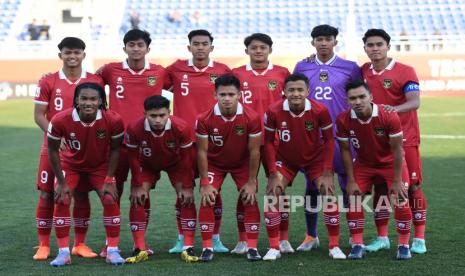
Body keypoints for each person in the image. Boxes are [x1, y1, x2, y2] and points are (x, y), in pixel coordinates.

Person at [96, 29, 168, 257]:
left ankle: (140, 242)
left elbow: (190, 91)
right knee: (111, 193)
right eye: (131, 44)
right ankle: (111, 243)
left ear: (148, 48)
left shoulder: (160, 72)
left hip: (146, 144)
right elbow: (90, 84)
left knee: (141, 192)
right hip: (115, 144)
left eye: (140, 45)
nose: (136, 48)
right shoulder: (110, 70)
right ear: (124, 47)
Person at [33, 37, 103, 260]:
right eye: (67, 52)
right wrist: (56, 135)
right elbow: (38, 116)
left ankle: (79, 244)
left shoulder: (95, 81)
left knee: (81, 194)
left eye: (76, 52)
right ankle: (44, 244)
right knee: (47, 194)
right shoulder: (48, 81)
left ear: (83, 54)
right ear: (60, 55)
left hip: (82, 150)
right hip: (52, 148)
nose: (72, 56)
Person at [293, 24, 361, 252]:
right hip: (313, 138)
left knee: (347, 184)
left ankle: (354, 235)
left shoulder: (350, 68)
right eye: (319, 39)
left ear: (335, 42)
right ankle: (311, 235)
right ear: (312, 43)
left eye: (327, 39)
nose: (323, 43)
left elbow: (359, 97)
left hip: (343, 136)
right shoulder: (302, 66)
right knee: (313, 186)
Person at [263, 73, 344, 260]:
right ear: (283, 91)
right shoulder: (273, 110)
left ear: (308, 91)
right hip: (286, 160)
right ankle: (275, 246)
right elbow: (268, 143)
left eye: (300, 90)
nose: (296, 94)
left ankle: (334, 246)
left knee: (328, 192)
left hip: (314, 159)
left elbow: (330, 141)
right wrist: (273, 173)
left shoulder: (320, 110)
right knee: (273, 193)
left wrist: (327, 172)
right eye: (291, 90)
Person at [165, 29, 231, 253]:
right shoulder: (176, 68)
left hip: (213, 142)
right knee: (183, 190)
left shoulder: (222, 70)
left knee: (213, 190)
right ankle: (182, 237)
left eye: (204, 44)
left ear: (212, 47)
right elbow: (152, 81)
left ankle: (215, 238)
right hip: (182, 142)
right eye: (196, 43)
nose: (200, 47)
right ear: (189, 47)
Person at [361, 29, 426, 254]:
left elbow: (414, 102)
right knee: (380, 187)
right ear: (365, 49)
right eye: (370, 45)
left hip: (405, 138)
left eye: (379, 44)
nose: (375, 48)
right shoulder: (363, 72)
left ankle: (419, 238)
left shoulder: (405, 71)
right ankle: (382, 237)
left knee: (412, 188)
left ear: (388, 46)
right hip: (376, 141)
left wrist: (391, 110)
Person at [47, 82, 125, 266]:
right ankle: (64, 252)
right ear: (76, 100)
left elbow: (115, 150)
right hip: (70, 165)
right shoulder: (60, 120)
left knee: (109, 198)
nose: (88, 102)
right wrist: (61, 181)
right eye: (83, 98)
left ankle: (112, 250)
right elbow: (52, 151)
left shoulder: (113, 120)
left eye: (93, 99)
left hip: (99, 166)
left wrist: (108, 179)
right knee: (62, 198)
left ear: (100, 101)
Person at [336, 80, 413, 260]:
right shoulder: (343, 120)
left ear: (371, 97)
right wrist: (351, 180)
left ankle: (403, 245)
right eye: (353, 98)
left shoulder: (388, 116)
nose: (358, 101)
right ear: (347, 101)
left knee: (400, 197)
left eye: (362, 97)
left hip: (390, 163)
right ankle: (356, 244)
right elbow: (345, 151)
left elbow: (397, 150)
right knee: (353, 198)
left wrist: (396, 181)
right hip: (364, 164)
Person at [231, 33, 291, 255]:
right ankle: (243, 239)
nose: (258, 51)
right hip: (245, 141)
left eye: (263, 47)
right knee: (246, 189)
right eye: (253, 47)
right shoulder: (236, 74)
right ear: (246, 51)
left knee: (278, 188)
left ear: (270, 50)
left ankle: (283, 239)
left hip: (274, 141)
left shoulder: (282, 73)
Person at [124, 95, 199, 263]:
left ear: (169, 113)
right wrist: (136, 185)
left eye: (162, 115)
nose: (158, 120)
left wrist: (187, 185)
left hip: (176, 164)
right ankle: (140, 248)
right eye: (153, 116)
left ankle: (188, 247)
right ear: (145, 114)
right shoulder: (134, 128)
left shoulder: (181, 127)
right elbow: (133, 159)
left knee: (186, 198)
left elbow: (187, 159)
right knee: (138, 198)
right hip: (147, 165)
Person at [196, 74, 262, 262]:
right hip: (214, 164)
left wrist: (251, 181)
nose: (226, 98)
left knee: (249, 198)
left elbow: (255, 150)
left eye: (231, 94)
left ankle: (252, 247)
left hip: (242, 163)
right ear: (215, 94)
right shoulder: (203, 118)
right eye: (222, 94)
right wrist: (205, 182)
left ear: (239, 95)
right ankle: (207, 247)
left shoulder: (252, 117)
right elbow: (201, 152)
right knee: (208, 198)